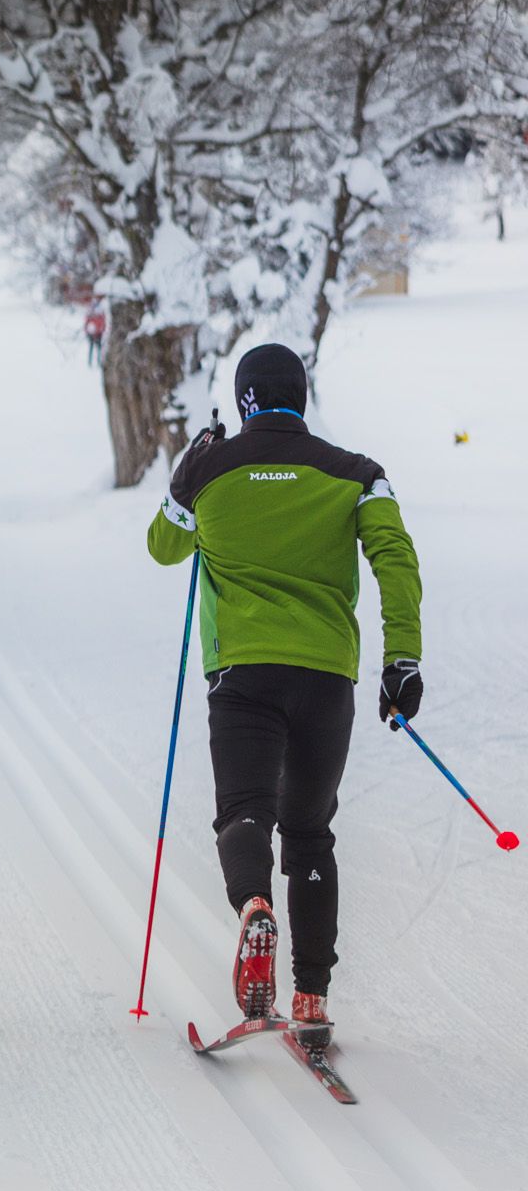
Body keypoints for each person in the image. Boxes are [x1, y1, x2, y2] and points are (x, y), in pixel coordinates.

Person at [147, 344, 422, 1043]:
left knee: (245, 810)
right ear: (301, 398)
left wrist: (188, 471)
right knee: (309, 833)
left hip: (241, 674)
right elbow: (395, 557)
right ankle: (310, 998)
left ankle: (253, 906)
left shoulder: (211, 468)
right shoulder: (357, 473)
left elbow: (163, 545)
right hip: (326, 676)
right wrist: (402, 660)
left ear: (243, 402)